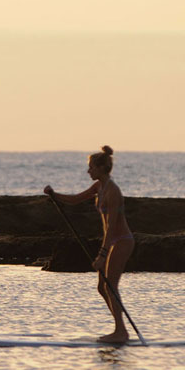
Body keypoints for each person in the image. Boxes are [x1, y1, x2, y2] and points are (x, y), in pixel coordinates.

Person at [44, 145, 134, 343]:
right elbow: (76, 199)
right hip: (112, 241)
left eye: (91, 167)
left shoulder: (113, 191)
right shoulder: (98, 187)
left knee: (110, 286)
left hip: (122, 242)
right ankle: (120, 329)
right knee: (102, 287)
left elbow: (111, 227)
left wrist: (102, 255)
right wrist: (54, 195)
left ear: (101, 168)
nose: (88, 171)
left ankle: (121, 332)